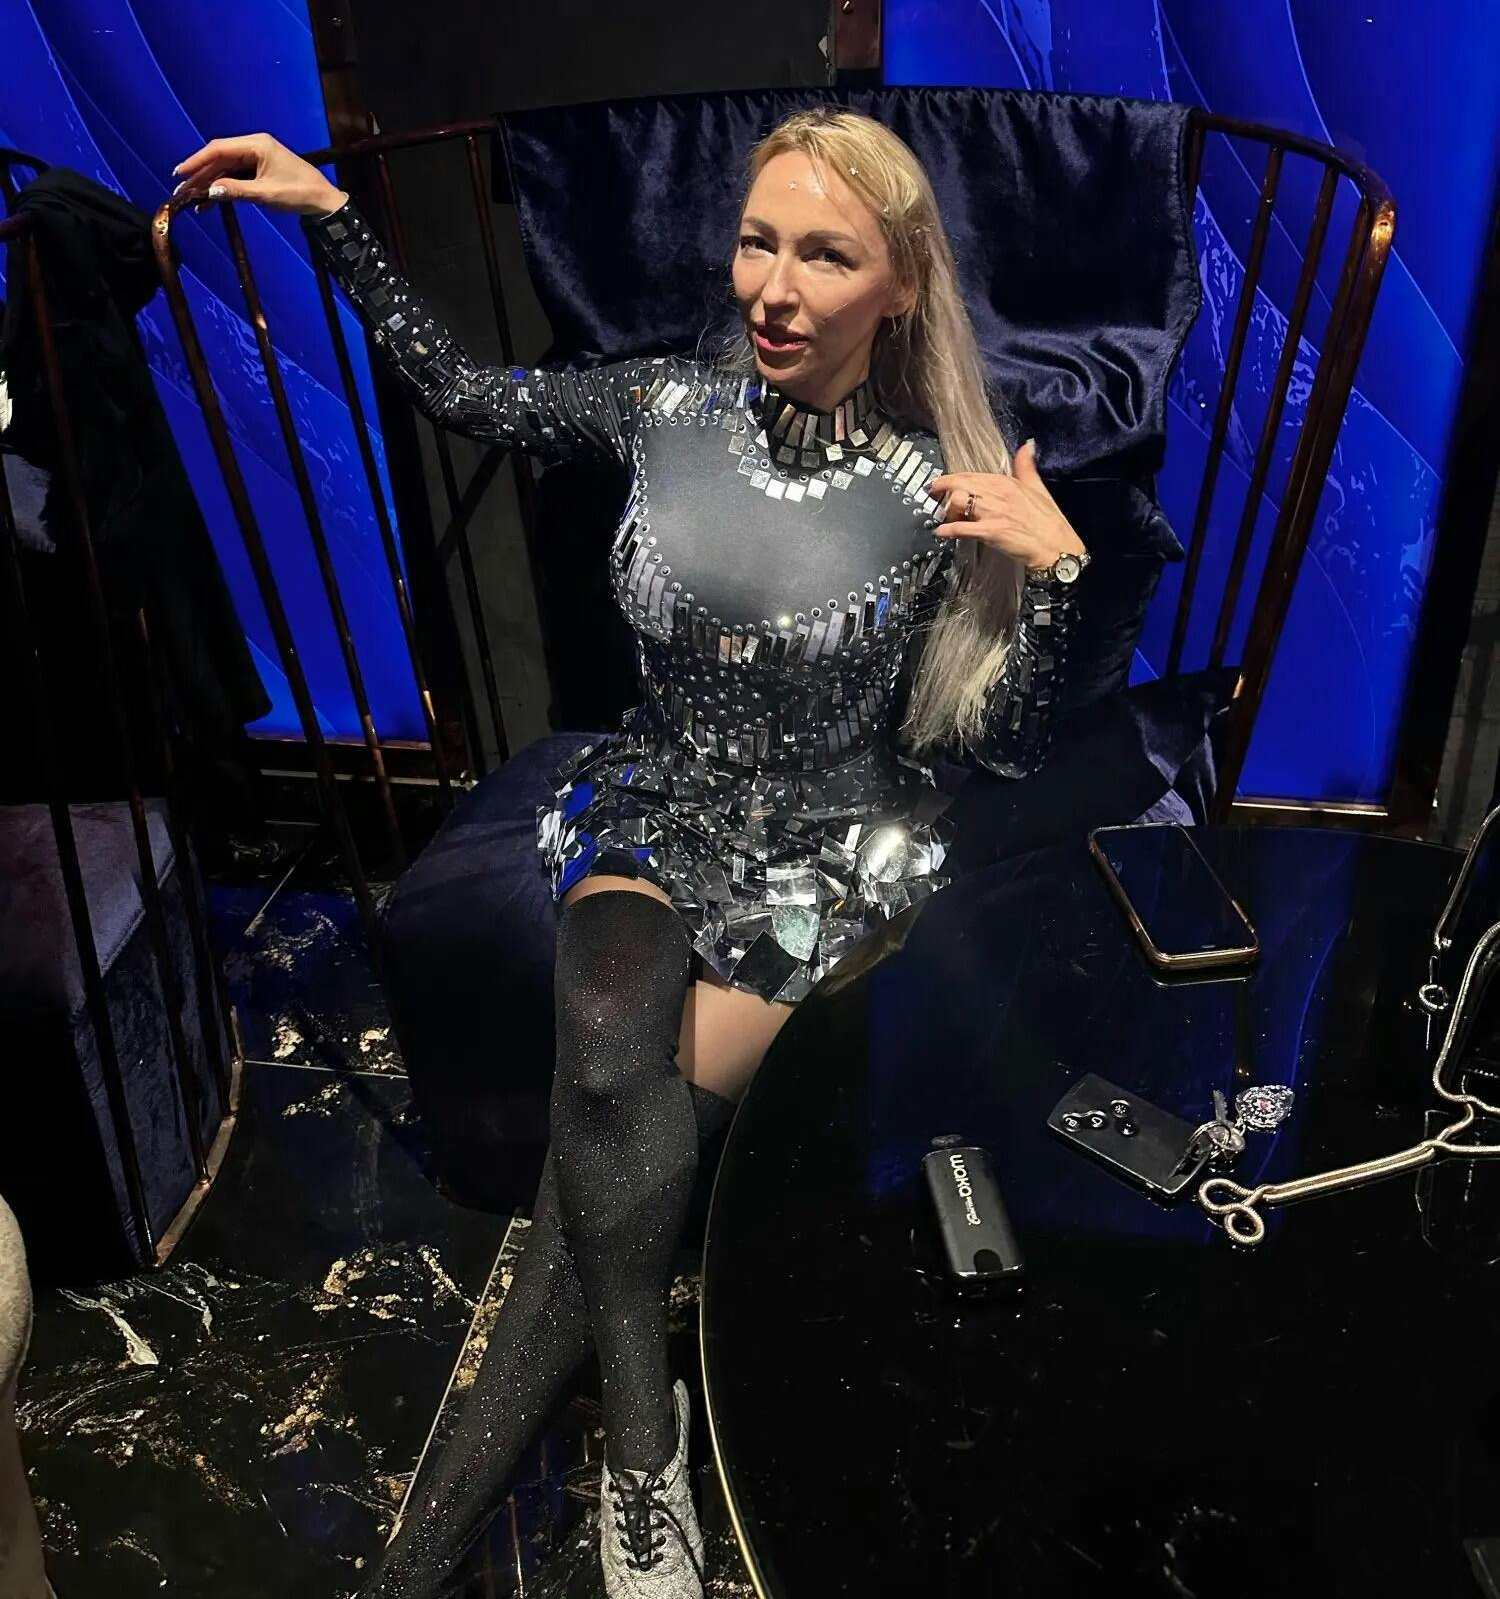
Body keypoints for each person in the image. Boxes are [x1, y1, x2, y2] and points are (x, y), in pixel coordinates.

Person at [170, 110, 1089, 1597]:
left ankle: (417, 1564)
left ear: (902, 285)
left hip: (818, 860)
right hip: (652, 804)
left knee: (587, 1190)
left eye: (825, 256)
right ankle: (648, 1446)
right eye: (758, 243)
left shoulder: (938, 494)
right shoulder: (666, 405)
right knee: (606, 1062)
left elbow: (1007, 747)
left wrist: (1051, 578)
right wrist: (328, 214)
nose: (774, 290)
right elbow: (462, 390)